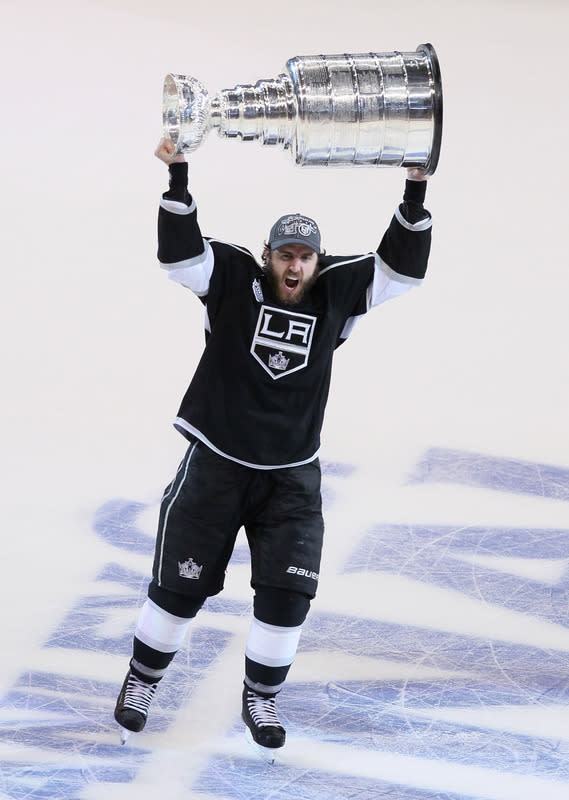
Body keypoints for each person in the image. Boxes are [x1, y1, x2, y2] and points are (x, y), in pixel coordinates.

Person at [114, 136, 433, 752]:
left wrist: (415, 187)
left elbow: (401, 271)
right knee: (178, 590)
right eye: (284, 254)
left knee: (287, 597)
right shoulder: (233, 277)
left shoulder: (339, 289)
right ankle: (142, 680)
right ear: (267, 255)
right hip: (217, 466)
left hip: (291, 478)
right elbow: (182, 261)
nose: (294, 267)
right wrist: (178, 177)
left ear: (318, 261)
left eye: (304, 258)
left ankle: (260, 699)